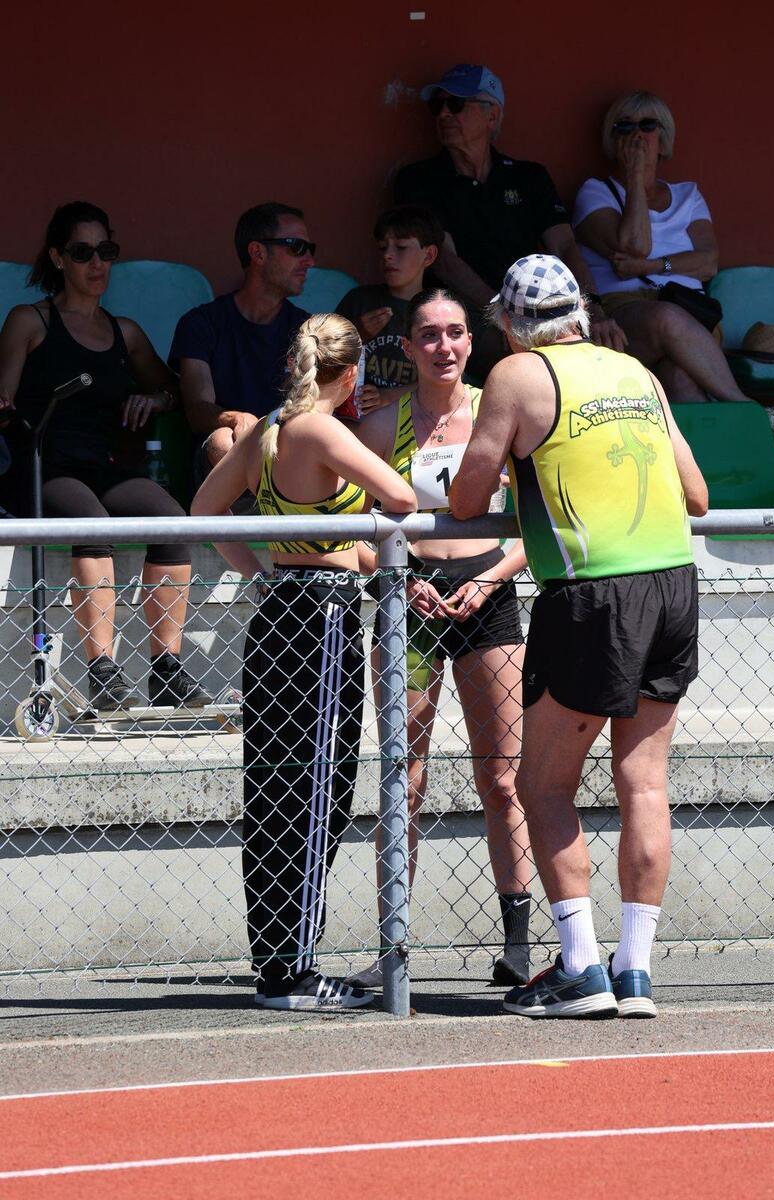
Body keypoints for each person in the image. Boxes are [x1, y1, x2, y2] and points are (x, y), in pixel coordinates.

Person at [451, 255, 708, 1018]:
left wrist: (516, 470)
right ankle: (635, 974)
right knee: (644, 784)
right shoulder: (636, 373)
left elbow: (465, 499)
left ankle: (580, 967)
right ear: (582, 315)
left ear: (507, 323)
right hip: (671, 582)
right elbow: (696, 494)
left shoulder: (517, 376)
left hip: (591, 593)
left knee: (543, 785)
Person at [191, 313, 417, 1011]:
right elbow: (402, 498)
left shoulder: (265, 429)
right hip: (321, 618)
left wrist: (263, 570)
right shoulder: (320, 429)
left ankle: (283, 961)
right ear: (349, 374)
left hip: (287, 607)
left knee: (279, 791)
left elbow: (204, 509)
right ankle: (288, 972)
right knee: (313, 792)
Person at [349, 287, 533, 991]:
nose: (444, 346)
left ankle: (518, 943)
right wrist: (398, 581)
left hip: (488, 599)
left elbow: (538, 524)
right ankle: (392, 945)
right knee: (405, 776)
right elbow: (355, 533)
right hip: (412, 608)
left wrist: (489, 580)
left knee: (503, 777)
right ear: (408, 346)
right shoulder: (382, 424)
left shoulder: (500, 410)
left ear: (472, 341)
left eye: (455, 332)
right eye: (429, 334)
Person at [0, 200, 210, 711]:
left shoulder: (126, 332)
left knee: (172, 521)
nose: (97, 264)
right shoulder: (30, 321)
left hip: (106, 468)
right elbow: (2, 400)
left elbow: (172, 388)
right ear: (58, 257)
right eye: (82, 252)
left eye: (106, 251)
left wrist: (153, 399)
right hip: (41, 466)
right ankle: (103, 670)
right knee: (92, 523)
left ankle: (166, 668)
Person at [573, 90, 774, 447]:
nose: (637, 135)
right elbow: (633, 245)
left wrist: (651, 266)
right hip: (626, 313)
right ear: (611, 139)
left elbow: (708, 262)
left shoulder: (687, 195)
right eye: (624, 127)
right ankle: (751, 411)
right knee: (665, 318)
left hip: (693, 315)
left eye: (647, 126)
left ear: (663, 139)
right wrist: (636, 179)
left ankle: (717, 473)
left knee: (679, 378)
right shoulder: (595, 192)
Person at [394, 64, 625, 380]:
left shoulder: (529, 177)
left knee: (612, 342)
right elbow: (445, 262)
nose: (444, 114)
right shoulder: (419, 180)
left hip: (539, 307)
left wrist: (591, 309)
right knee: (530, 357)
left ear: (492, 115)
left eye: (457, 104)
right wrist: (505, 314)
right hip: (468, 313)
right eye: (438, 105)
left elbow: (565, 246)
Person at [169, 202, 313, 489]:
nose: (309, 260)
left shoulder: (308, 329)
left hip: (288, 452)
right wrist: (235, 419)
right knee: (225, 439)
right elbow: (197, 409)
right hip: (223, 459)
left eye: (311, 249)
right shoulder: (201, 323)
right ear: (257, 252)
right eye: (297, 247)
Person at [336, 205, 444, 398]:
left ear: (428, 255)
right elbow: (321, 359)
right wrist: (356, 334)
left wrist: (388, 396)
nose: (387, 255)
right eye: (382, 247)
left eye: (401, 247)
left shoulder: (440, 311)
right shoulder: (358, 300)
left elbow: (447, 380)